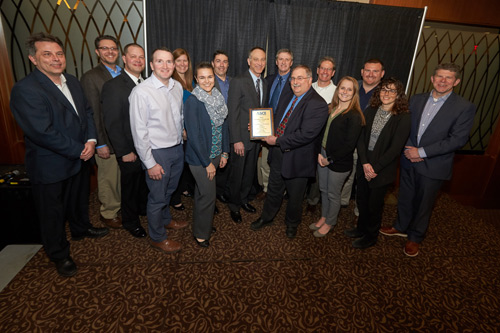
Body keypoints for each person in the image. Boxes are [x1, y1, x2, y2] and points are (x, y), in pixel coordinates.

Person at [10, 32, 109, 277]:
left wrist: (91, 140)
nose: (56, 59)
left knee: (79, 199)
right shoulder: (26, 90)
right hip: (50, 164)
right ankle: (59, 254)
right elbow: (42, 131)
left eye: (59, 53)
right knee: (52, 213)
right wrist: (78, 148)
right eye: (47, 54)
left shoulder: (72, 81)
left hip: (80, 157)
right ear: (33, 59)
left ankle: (81, 228)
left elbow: (86, 113)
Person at [380, 63, 476, 257]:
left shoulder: (464, 107)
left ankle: (415, 237)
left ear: (456, 82)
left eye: (448, 78)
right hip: (408, 158)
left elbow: (457, 139)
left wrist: (421, 152)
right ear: (432, 79)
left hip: (434, 164)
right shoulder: (416, 99)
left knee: (424, 203)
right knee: (405, 197)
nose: (443, 81)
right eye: (439, 76)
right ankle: (400, 226)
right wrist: (409, 150)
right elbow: (404, 125)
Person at [250, 65, 329, 238]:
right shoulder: (288, 97)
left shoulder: (318, 104)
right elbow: (277, 122)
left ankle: (292, 224)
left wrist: (277, 140)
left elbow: (306, 135)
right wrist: (259, 128)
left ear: (309, 80)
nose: (295, 82)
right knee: (273, 189)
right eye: (293, 78)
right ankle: (267, 217)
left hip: (298, 159)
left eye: (300, 78)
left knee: (295, 197)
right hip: (279, 154)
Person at [129, 47, 188, 254]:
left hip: (176, 149)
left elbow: (178, 116)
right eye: (160, 62)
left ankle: (166, 220)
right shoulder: (141, 92)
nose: (165, 66)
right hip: (157, 153)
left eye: (169, 61)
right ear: (152, 65)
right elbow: (139, 131)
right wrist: (150, 163)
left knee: (169, 191)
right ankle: (157, 237)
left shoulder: (176, 87)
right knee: (157, 197)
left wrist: (182, 131)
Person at [344, 78, 411, 249]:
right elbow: (360, 138)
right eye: (384, 90)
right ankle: (360, 229)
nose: (386, 94)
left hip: (382, 169)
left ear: (398, 95)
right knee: (362, 200)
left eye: (392, 91)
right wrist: (365, 163)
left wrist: (375, 167)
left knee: (374, 206)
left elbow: (395, 148)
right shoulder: (371, 110)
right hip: (364, 164)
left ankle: (371, 236)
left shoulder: (403, 117)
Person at [101, 43, 148, 238]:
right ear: (125, 59)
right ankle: (130, 222)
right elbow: (112, 122)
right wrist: (123, 151)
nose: (138, 60)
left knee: (142, 184)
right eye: (133, 57)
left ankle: (141, 210)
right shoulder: (113, 86)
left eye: (141, 57)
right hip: (129, 148)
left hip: (146, 146)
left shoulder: (145, 83)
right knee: (129, 188)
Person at [310, 76, 364, 237]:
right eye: (342, 88)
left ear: (354, 93)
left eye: (349, 89)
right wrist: (320, 153)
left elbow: (349, 145)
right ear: (337, 89)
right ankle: (324, 217)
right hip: (323, 155)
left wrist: (329, 159)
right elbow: (322, 133)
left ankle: (330, 223)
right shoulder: (332, 108)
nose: (345, 92)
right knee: (323, 190)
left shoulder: (354, 115)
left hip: (338, 161)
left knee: (333, 194)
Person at [184, 62, 229, 247]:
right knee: (208, 196)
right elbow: (193, 137)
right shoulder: (193, 101)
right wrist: (206, 163)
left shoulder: (217, 96)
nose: (207, 81)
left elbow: (223, 125)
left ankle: (203, 224)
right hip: (200, 159)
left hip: (216, 153)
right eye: (202, 77)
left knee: (202, 193)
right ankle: (201, 233)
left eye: (209, 76)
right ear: (196, 79)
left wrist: (225, 151)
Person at [80, 35, 122, 229]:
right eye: (105, 48)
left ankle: (120, 207)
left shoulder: (122, 73)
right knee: (108, 178)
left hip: (124, 138)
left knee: (121, 178)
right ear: (97, 52)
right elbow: (93, 112)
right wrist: (100, 143)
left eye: (113, 48)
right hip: (106, 138)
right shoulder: (91, 77)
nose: (110, 52)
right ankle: (108, 212)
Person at [226, 47, 268, 223]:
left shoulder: (264, 83)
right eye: (256, 59)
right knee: (237, 174)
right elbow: (232, 113)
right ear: (248, 61)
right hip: (241, 140)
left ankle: (243, 199)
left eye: (263, 59)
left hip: (256, 139)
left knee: (249, 173)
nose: (259, 63)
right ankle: (233, 206)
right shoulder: (239, 81)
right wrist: (236, 140)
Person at [340, 59, 386, 214]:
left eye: (375, 71)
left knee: (364, 178)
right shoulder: (353, 86)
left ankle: (361, 208)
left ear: (382, 74)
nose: (370, 74)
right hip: (348, 140)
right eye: (367, 70)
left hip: (369, 144)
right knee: (347, 173)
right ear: (362, 71)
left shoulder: (386, 93)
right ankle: (342, 202)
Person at [259, 49, 294, 200]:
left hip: (285, 130)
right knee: (266, 159)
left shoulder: (296, 81)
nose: (283, 62)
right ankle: (267, 188)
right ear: (276, 61)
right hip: (267, 127)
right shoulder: (268, 79)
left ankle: (281, 191)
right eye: (281, 59)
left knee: (283, 163)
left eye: (287, 59)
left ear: (291, 63)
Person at [306, 56, 337, 214]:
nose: (325, 72)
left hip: (323, 136)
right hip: (304, 134)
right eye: (322, 68)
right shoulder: (307, 86)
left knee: (318, 169)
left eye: (328, 69)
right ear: (317, 70)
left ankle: (312, 200)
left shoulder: (338, 92)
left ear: (333, 73)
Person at [170, 48, 195, 210]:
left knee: (186, 164)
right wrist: (181, 131)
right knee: (176, 166)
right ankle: (174, 198)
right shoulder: (172, 83)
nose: (182, 64)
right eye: (178, 61)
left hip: (190, 129)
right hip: (180, 132)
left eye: (185, 60)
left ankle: (184, 188)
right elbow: (172, 112)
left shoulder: (191, 81)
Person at [211, 50, 232, 205]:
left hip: (231, 127)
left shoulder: (233, 81)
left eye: (224, 61)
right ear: (213, 64)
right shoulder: (208, 82)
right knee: (213, 164)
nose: (221, 64)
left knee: (226, 162)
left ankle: (222, 191)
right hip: (214, 130)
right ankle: (213, 196)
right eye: (218, 61)